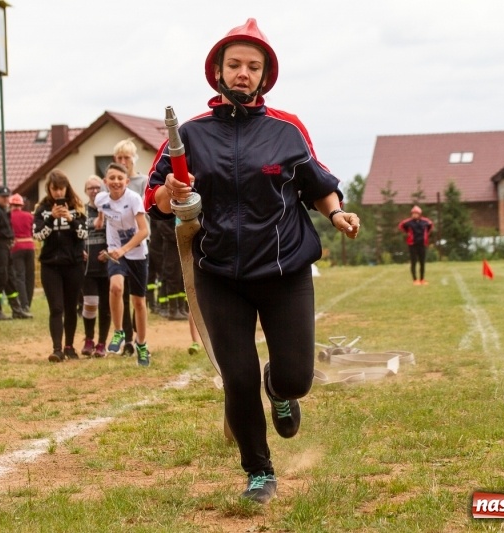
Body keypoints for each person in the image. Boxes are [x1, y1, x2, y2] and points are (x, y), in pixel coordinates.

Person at [144, 18, 360, 503]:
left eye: (253, 66)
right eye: (235, 64)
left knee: (295, 377)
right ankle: (258, 471)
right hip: (219, 274)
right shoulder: (191, 135)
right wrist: (169, 192)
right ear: (218, 71)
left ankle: (280, 392)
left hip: (284, 273)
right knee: (237, 376)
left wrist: (339, 213)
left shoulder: (287, 130)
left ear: (265, 77)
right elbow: (153, 197)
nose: (243, 73)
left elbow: (319, 186)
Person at [94, 162, 151, 365]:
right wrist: (100, 220)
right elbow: (103, 209)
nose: (116, 182)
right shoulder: (100, 198)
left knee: (138, 302)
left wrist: (124, 250)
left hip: (136, 253)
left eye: (120, 178)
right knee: (116, 288)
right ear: (105, 182)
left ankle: (142, 344)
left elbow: (144, 231)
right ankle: (118, 332)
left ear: (126, 181)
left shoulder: (134, 199)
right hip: (115, 250)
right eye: (112, 178)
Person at [33, 169, 87, 362]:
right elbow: (38, 235)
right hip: (50, 265)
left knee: (71, 307)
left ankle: (69, 346)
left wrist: (72, 220)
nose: (58, 193)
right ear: (49, 189)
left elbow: (84, 235)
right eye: (54, 189)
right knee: (56, 308)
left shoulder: (78, 207)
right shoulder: (42, 209)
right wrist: (51, 218)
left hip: (73, 264)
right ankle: (57, 349)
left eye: (61, 188)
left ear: (66, 188)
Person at [113, 139, 146, 355]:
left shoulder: (142, 182)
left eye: (126, 157)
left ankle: (140, 337)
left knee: (137, 297)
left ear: (133, 158)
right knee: (119, 291)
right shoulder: (112, 182)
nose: (123, 161)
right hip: (117, 244)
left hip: (139, 243)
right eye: (119, 158)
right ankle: (125, 340)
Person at [0, 186, 31, 320]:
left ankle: (17, 309)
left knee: (10, 278)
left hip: (6, 248)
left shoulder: (3, 211)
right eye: (3, 197)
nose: (6, 199)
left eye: (7, 197)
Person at [81, 175, 111, 358]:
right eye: (90, 188)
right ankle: (89, 339)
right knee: (90, 304)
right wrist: (79, 250)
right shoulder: (81, 211)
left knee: (106, 307)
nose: (94, 191)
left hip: (107, 266)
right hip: (87, 267)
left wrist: (110, 251)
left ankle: (101, 343)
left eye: (97, 187)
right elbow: (75, 235)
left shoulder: (109, 210)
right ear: (85, 191)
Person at [8, 193, 36, 314]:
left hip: (16, 248)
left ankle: (23, 305)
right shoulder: (29, 216)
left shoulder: (9, 217)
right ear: (21, 205)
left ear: (11, 205)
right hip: (30, 246)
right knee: (30, 277)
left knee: (20, 277)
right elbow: (33, 231)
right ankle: (28, 303)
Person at [398, 205, 433, 285]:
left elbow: (431, 225)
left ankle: (422, 279)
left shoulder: (425, 221)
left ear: (419, 214)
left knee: (422, 262)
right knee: (413, 262)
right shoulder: (408, 222)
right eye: (413, 213)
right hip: (412, 244)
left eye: (416, 213)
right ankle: (415, 279)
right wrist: (408, 233)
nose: (414, 215)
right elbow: (401, 226)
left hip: (422, 244)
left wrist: (426, 234)